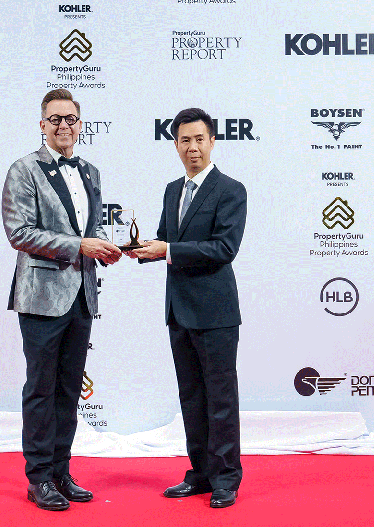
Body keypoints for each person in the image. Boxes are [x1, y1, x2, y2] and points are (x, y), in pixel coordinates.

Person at [1, 88, 122, 511]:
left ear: (80, 124)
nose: (63, 125)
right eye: (55, 119)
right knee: (41, 388)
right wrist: (79, 246)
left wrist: (106, 248)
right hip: (41, 297)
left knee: (69, 390)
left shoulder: (90, 171)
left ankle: (60, 472)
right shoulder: (24, 169)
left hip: (82, 295)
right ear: (42, 125)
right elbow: (20, 232)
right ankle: (38, 479)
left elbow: (92, 229)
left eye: (70, 118)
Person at [128, 107, 247, 509]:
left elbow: (224, 248)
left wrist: (167, 250)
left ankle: (226, 478)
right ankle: (200, 473)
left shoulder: (231, 190)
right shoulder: (171, 190)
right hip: (178, 310)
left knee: (221, 399)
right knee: (192, 398)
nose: (192, 147)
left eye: (199, 139)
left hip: (216, 313)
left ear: (212, 141)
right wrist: (137, 250)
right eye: (184, 140)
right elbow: (166, 240)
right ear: (175, 145)